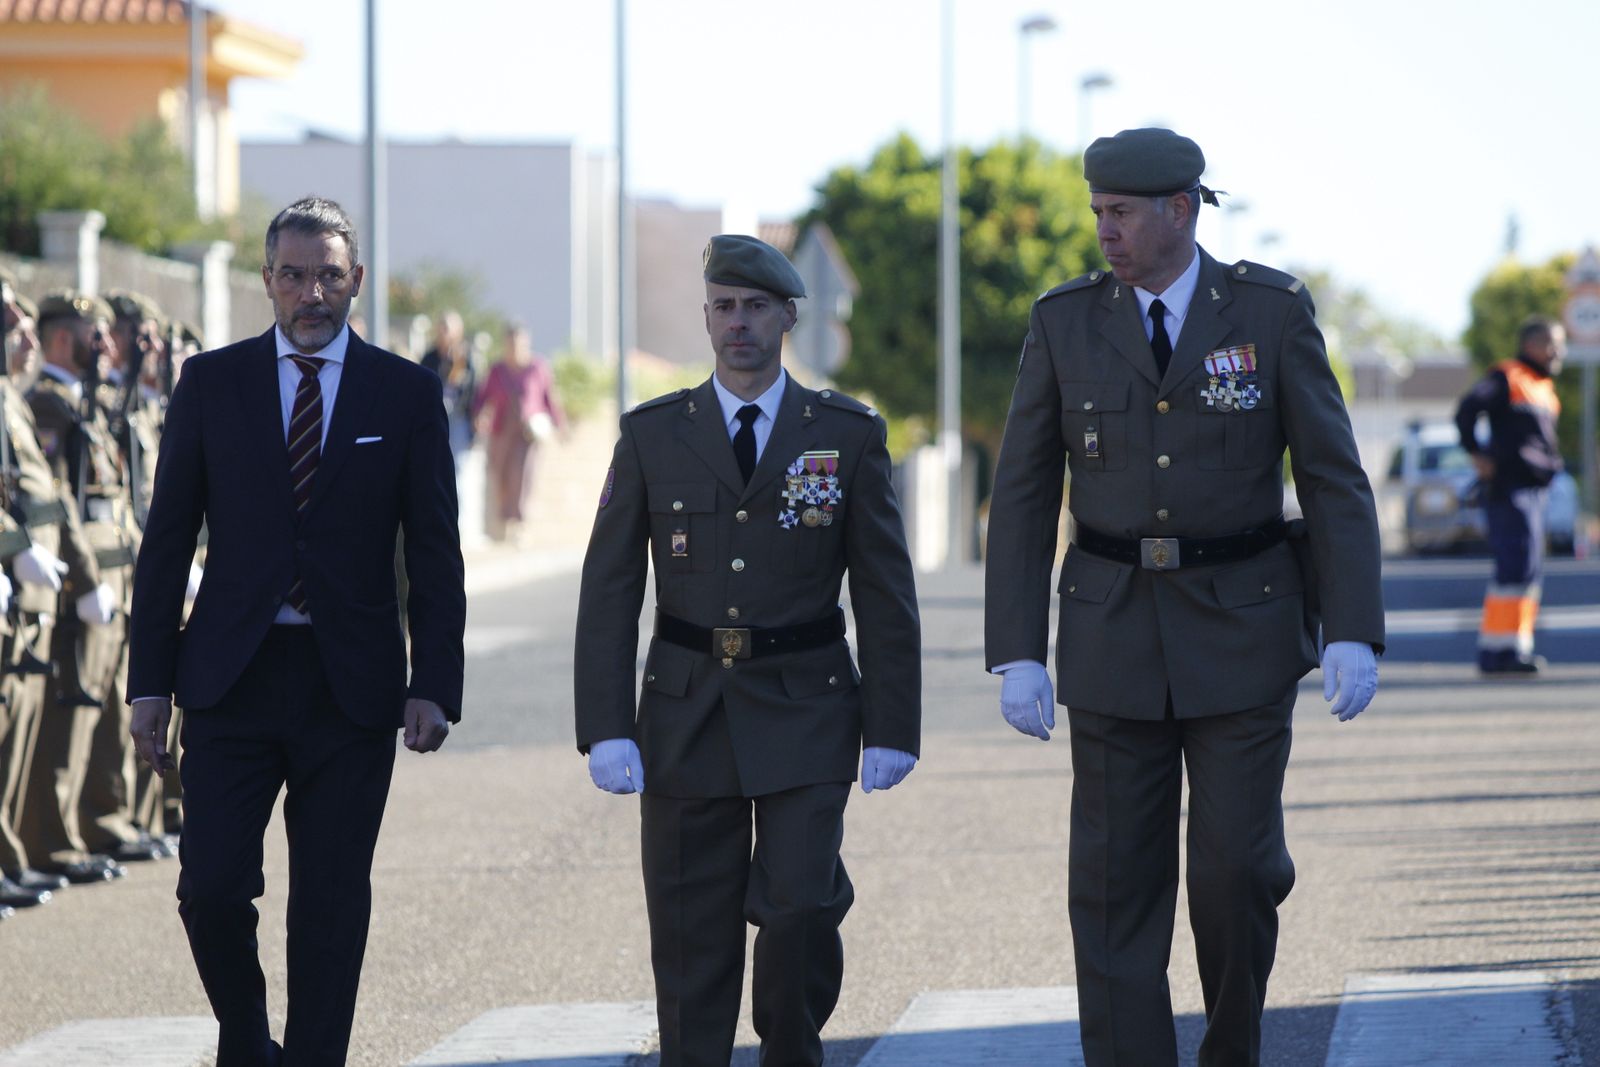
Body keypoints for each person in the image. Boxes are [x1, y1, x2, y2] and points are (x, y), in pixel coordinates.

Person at [983, 128, 1385, 1067]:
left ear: (1181, 210)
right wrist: (1017, 648)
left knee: (1236, 872)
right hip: (1112, 631)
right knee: (1117, 886)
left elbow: (1333, 477)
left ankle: (1233, 1048)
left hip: (1242, 631)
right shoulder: (1065, 320)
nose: (1104, 233)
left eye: (1120, 214)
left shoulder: (1270, 311)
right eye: (1097, 213)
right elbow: (1026, 488)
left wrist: (1353, 627)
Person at [127, 196, 466, 1067]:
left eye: (327, 275)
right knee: (210, 887)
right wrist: (149, 685)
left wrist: (434, 681)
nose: (310, 292)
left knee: (328, 902)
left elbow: (433, 551)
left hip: (348, 686)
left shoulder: (407, 391)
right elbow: (166, 543)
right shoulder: (213, 382)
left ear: (354, 280)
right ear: (268, 282)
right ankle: (246, 1035)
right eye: (292, 274)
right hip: (230, 678)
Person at [574, 234, 921, 1066]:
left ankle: (790, 1045)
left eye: (756, 307)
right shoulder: (656, 435)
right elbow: (611, 586)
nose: (738, 323)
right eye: (724, 307)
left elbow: (883, 589)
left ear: (787, 316)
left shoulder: (844, 434)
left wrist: (893, 723)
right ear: (705, 317)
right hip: (686, 706)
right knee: (692, 929)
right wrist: (606, 723)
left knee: (800, 904)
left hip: (807, 703)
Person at [20, 291, 127, 887]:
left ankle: (80, 830)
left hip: (104, 577)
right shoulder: (48, 404)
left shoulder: (77, 402)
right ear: (67, 338)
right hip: (68, 581)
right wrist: (86, 580)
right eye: (96, 335)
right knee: (65, 720)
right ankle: (53, 841)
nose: (106, 347)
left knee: (93, 715)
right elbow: (57, 503)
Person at [1454, 316, 1565, 674]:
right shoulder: (1509, 376)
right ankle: (1498, 653)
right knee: (1514, 567)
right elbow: (1467, 409)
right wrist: (1476, 453)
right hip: (1509, 489)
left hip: (1534, 490)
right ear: (1532, 344)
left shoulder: (1543, 387)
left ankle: (1511, 648)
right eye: (1552, 343)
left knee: (1528, 570)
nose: (1558, 351)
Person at [471, 322, 564, 541]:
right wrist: (479, 416)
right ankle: (502, 523)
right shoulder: (497, 370)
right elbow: (482, 398)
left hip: (526, 433)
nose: (515, 347)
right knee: (500, 475)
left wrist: (560, 425)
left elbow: (549, 398)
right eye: (511, 342)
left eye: (519, 342)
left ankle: (519, 525)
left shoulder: (538, 368)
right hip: (501, 431)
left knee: (523, 476)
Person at [419, 309, 478, 466]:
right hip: (434, 417)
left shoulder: (465, 359)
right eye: (442, 328)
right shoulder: (429, 358)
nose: (444, 333)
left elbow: (471, 392)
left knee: (458, 467)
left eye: (447, 329)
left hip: (458, 418)